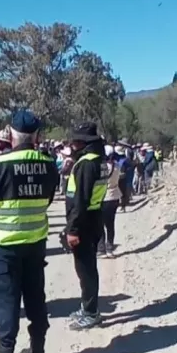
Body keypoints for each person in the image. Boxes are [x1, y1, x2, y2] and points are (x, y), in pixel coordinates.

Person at [0, 110, 58, 353]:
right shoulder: (48, 164)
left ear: (10, 134)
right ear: (35, 135)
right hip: (35, 243)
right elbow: (46, 200)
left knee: (7, 302)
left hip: (5, 246)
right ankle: (39, 352)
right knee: (36, 299)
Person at [62, 122, 109, 330]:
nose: (72, 144)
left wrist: (72, 230)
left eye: (76, 141)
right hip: (94, 217)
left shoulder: (86, 164)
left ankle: (91, 312)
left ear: (84, 143)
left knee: (85, 268)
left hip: (84, 220)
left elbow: (80, 200)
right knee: (87, 266)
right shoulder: (99, 161)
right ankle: (88, 307)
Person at [98, 145, 121, 258]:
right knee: (110, 224)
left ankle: (101, 249)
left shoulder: (102, 167)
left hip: (104, 196)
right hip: (115, 195)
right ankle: (109, 248)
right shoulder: (117, 166)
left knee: (100, 224)